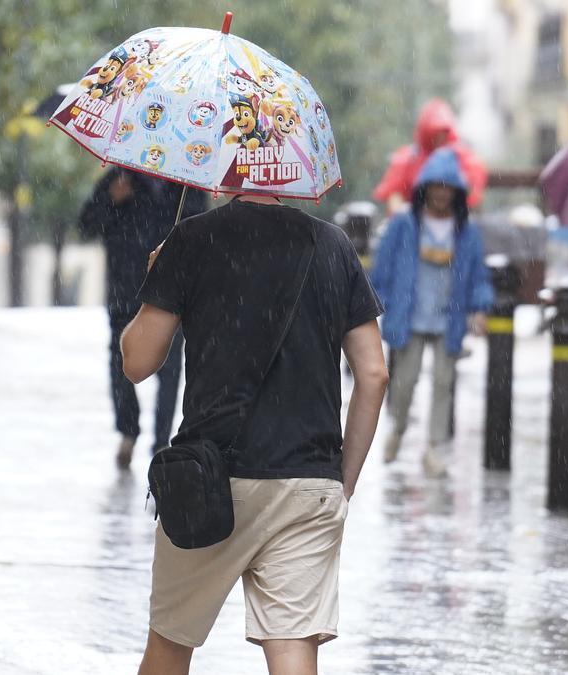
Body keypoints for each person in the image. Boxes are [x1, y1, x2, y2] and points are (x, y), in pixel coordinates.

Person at [121, 194, 389, 674]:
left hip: (209, 481)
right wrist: (340, 481)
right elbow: (374, 374)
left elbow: (136, 363)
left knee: (170, 645)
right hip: (308, 480)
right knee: (292, 651)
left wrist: (159, 278)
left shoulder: (192, 239)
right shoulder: (333, 245)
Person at [369, 148, 494, 477]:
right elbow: (383, 268)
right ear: (425, 188)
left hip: (448, 320)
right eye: (436, 186)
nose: (441, 193)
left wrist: (480, 308)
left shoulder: (467, 232)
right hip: (409, 318)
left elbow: (478, 276)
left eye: (447, 187)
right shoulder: (403, 224)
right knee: (404, 381)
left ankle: (435, 448)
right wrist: (376, 304)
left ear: (457, 192)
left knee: (444, 383)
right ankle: (397, 428)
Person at [79, 167, 207, 467]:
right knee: (120, 363)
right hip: (124, 291)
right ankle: (128, 430)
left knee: (170, 368)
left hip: (171, 290)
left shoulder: (187, 180)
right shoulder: (120, 177)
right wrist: (111, 200)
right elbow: (86, 226)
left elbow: (203, 233)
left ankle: (161, 442)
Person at [372, 98, 488, 216]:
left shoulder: (461, 158)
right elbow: (394, 196)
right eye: (434, 132)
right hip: (415, 218)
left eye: (443, 132)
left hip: (452, 218)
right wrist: (402, 219)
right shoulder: (409, 158)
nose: (440, 193)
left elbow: (472, 192)